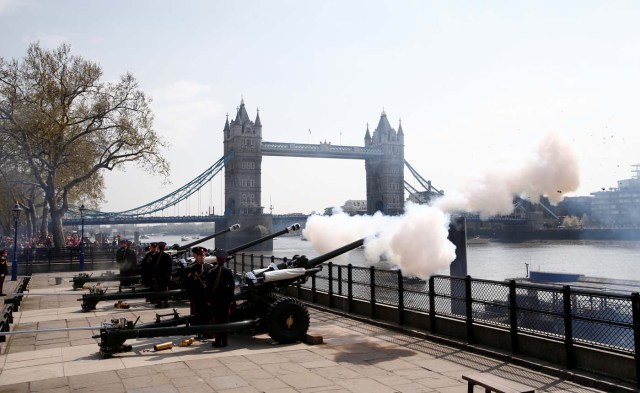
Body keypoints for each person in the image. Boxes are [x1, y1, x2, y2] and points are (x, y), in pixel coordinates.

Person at [206, 249, 235, 348]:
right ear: (225, 260)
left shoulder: (211, 272)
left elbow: (208, 288)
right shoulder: (228, 272)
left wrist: (209, 300)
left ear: (217, 260)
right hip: (225, 301)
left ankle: (218, 342)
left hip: (215, 301)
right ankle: (225, 341)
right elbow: (232, 287)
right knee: (225, 320)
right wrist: (231, 300)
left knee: (217, 321)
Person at [185, 246, 213, 326]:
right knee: (197, 314)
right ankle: (197, 330)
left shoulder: (209, 267)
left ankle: (206, 330)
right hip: (196, 295)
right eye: (200, 255)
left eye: (203, 255)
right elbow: (188, 284)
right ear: (195, 256)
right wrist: (190, 296)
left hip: (207, 295)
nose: (202, 256)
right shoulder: (191, 268)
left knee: (207, 314)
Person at [153, 242, 173, 308]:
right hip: (165, 276)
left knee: (158, 289)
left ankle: (159, 303)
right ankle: (165, 302)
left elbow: (153, 266)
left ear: (158, 247)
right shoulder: (168, 256)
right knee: (165, 289)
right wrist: (170, 275)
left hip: (158, 275)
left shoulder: (155, 256)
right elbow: (170, 267)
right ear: (164, 247)